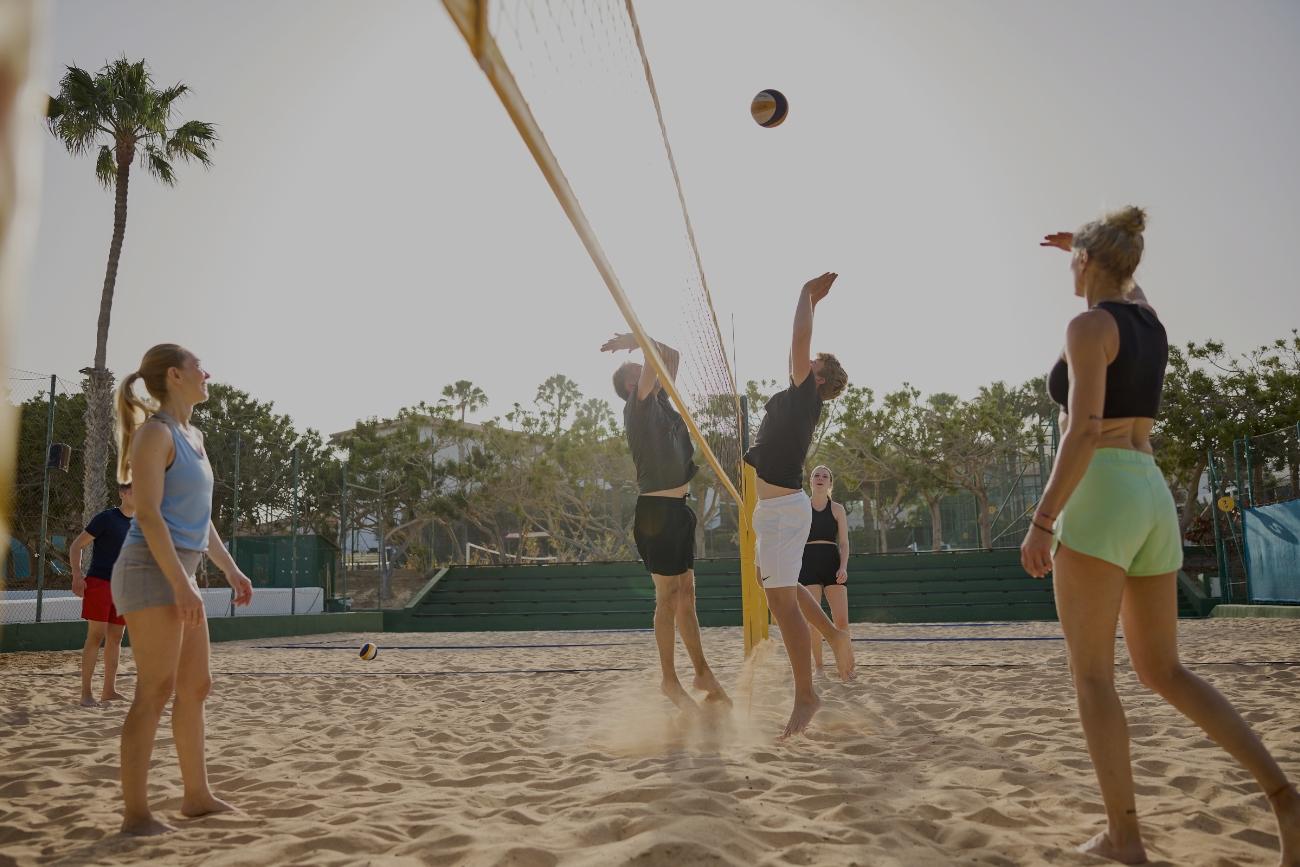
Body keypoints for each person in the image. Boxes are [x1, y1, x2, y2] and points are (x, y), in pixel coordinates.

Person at [1021, 208, 1299, 865]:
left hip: (1102, 491)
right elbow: (1132, 295)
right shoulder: (1149, 323)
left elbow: (1083, 429)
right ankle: (1284, 795)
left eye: (1074, 258)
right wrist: (1089, 249)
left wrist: (1041, 519)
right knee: (1164, 669)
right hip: (1152, 492)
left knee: (1093, 677)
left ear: (1087, 263)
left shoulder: (1087, 325)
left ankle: (1125, 838)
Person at [111, 343, 253, 835]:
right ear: (175, 375)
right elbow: (147, 513)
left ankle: (196, 797)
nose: (207, 372)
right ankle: (136, 815)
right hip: (150, 572)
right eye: (199, 367)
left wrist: (230, 570)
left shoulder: (194, 436)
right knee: (155, 690)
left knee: (196, 687)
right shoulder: (155, 433)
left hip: (179, 573)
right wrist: (181, 582)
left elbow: (199, 518)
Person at [743, 273, 856, 739]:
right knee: (782, 590)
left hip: (783, 509)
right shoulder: (800, 398)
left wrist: (806, 296)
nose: (804, 360)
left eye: (813, 362)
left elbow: (799, 337)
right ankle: (832, 635)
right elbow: (799, 345)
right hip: (776, 509)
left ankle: (806, 695)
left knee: (780, 605)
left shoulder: (806, 390)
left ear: (819, 375)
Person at [602, 331, 730, 712]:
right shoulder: (639, 405)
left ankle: (702, 673)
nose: (654, 374)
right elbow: (657, 359)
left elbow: (670, 354)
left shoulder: (662, 402)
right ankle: (669, 680)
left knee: (687, 597)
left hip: (679, 512)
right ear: (632, 383)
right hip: (655, 513)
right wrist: (635, 338)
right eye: (643, 371)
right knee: (668, 598)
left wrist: (642, 339)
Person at [69, 482, 135, 706]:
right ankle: (86, 694)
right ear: (123, 493)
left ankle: (109, 690)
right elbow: (76, 545)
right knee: (95, 637)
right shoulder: (107, 518)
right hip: (99, 583)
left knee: (116, 638)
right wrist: (77, 575)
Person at [798, 465, 849, 675]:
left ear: (830, 483)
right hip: (808, 562)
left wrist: (844, 567)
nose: (820, 478)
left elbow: (844, 543)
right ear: (810, 481)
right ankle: (819, 667)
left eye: (825, 476)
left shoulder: (837, 509)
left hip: (831, 562)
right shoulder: (801, 507)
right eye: (816, 475)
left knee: (841, 621)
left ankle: (845, 666)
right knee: (813, 621)